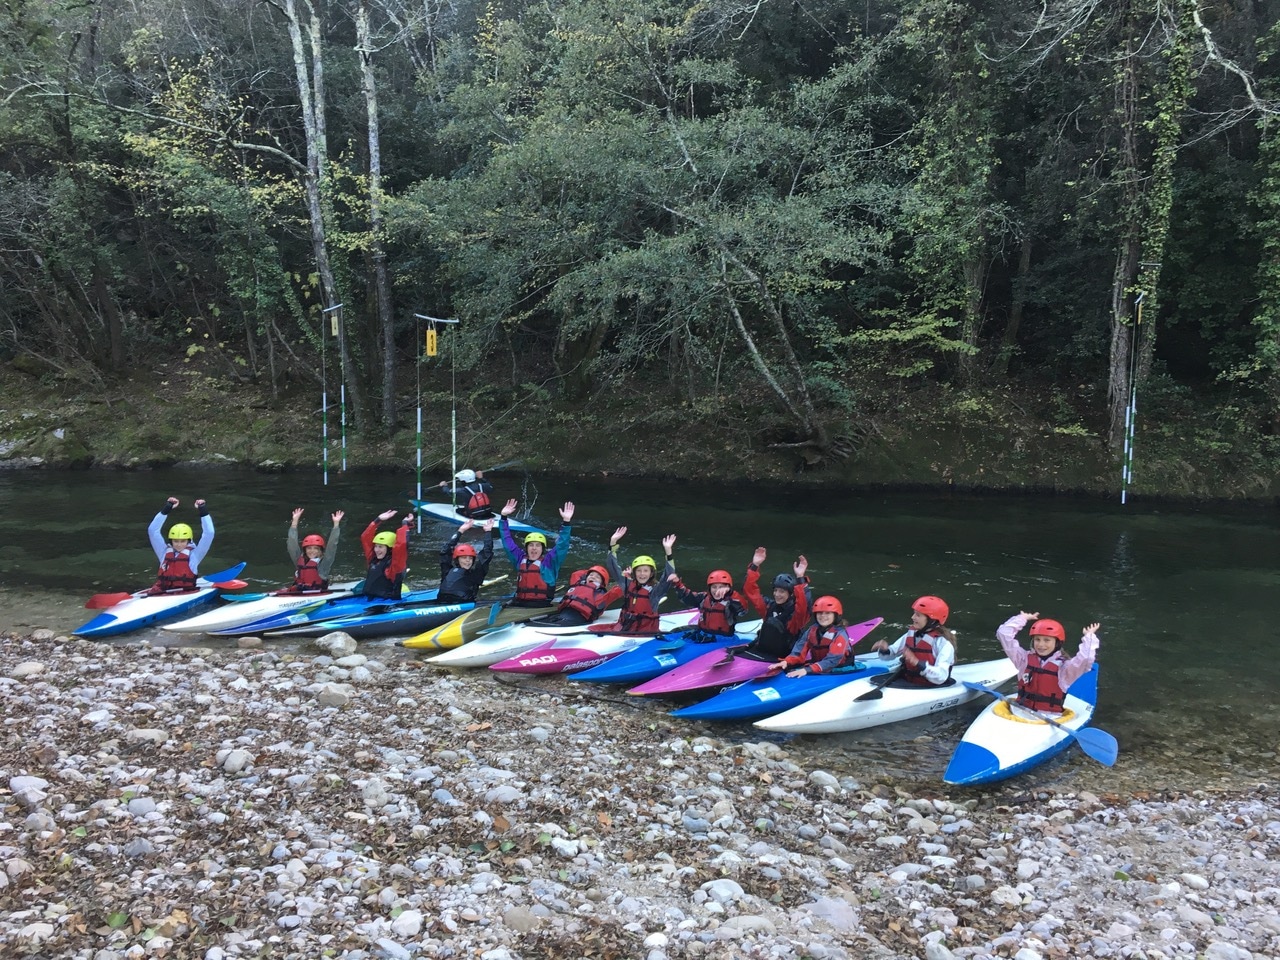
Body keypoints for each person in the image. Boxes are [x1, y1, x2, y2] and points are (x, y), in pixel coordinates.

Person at [998, 611, 1100, 714]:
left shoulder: (1064, 668)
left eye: (1047, 640)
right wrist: (1021, 618)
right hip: (1020, 711)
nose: (1041, 644)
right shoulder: (1023, 659)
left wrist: (1089, 638)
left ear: (1057, 643)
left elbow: (1086, 660)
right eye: (1037, 639)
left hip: (1050, 718)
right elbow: (1003, 634)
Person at [499, 499, 574, 608]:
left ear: (542, 549)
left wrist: (566, 522)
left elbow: (562, 545)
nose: (534, 548)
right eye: (531, 545)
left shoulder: (550, 562)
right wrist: (503, 517)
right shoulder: (520, 559)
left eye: (538, 545)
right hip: (520, 603)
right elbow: (507, 541)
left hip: (541, 605)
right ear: (526, 547)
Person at [740, 546, 811, 660]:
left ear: (791, 594)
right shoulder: (769, 606)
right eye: (776, 590)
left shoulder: (795, 615)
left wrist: (800, 578)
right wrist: (755, 565)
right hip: (764, 651)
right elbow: (750, 591)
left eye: (782, 591)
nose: (777, 594)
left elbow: (804, 605)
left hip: (783, 657)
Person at [872, 595, 956, 686]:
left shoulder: (943, 644)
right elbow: (891, 654)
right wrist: (885, 650)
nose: (913, 617)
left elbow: (941, 676)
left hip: (931, 686)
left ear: (932, 620)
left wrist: (917, 663)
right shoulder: (911, 634)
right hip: (909, 680)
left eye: (918, 615)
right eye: (914, 613)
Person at [603, 528, 677, 633]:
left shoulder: (655, 591)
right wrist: (612, 543)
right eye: (639, 571)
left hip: (647, 632)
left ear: (651, 573)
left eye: (645, 571)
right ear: (634, 573)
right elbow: (613, 568)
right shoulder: (627, 585)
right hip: (625, 628)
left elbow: (668, 577)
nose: (642, 574)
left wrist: (668, 552)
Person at [770, 595, 861, 677]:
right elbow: (798, 652)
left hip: (839, 669)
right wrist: (787, 661)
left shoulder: (840, 634)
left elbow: (832, 660)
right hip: (818, 667)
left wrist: (808, 670)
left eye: (827, 613)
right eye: (820, 613)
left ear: (836, 615)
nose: (823, 616)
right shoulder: (812, 630)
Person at [667, 568, 755, 643]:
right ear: (709, 588)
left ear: (728, 588)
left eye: (721, 587)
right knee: (675, 632)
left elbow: (743, 610)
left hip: (722, 639)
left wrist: (730, 594)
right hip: (703, 633)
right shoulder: (704, 597)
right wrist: (678, 584)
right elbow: (688, 597)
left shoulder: (731, 601)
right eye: (714, 587)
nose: (717, 590)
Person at [146, 497, 214, 594]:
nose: (178, 544)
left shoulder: (194, 555)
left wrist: (203, 510)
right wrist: (167, 507)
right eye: (175, 541)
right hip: (161, 592)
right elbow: (152, 530)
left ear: (188, 541)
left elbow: (209, 533)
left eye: (182, 541)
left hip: (186, 593)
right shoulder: (163, 552)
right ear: (171, 541)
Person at [531, 565, 622, 627]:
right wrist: (592, 571)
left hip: (579, 619)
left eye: (597, 577)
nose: (593, 577)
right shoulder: (577, 583)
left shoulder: (603, 595)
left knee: (555, 624)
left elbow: (620, 590)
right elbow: (576, 574)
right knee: (541, 623)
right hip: (563, 614)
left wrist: (626, 577)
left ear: (602, 584)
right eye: (591, 575)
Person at [281, 507, 343, 594]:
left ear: (320, 551)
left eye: (316, 548)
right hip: (299, 592)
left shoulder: (324, 564)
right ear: (305, 550)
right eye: (309, 548)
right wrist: (294, 522)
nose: (312, 551)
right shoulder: (299, 559)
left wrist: (336, 525)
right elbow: (291, 544)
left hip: (317, 594)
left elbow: (332, 546)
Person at [437, 518, 496, 603]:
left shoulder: (476, 574)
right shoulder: (447, 571)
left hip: (464, 605)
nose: (468, 561)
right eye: (464, 558)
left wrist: (488, 532)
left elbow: (487, 553)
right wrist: (460, 531)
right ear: (457, 559)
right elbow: (445, 551)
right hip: (443, 603)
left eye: (470, 558)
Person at [360, 508, 414, 599]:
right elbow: (365, 538)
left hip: (387, 604)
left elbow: (401, 545)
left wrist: (405, 524)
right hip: (369, 600)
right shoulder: (373, 558)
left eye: (380, 547)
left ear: (389, 549)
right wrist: (378, 520)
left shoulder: (394, 567)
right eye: (376, 546)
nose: (377, 550)